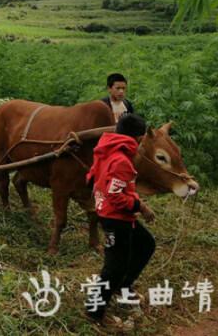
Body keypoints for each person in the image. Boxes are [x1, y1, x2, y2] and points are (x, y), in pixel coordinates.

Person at [85, 113, 156, 323]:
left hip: (113, 213)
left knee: (145, 244)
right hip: (115, 218)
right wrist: (140, 205)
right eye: (142, 139)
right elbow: (115, 196)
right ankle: (94, 311)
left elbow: (92, 177)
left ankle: (123, 286)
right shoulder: (121, 160)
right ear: (139, 138)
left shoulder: (106, 150)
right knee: (114, 266)